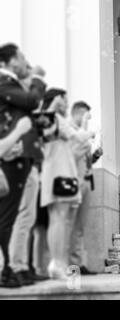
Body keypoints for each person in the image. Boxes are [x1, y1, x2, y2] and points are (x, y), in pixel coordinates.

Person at [0, 43, 46, 288]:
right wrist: (37, 77)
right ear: (10, 60)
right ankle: (11, 268)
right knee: (12, 217)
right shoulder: (4, 82)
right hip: (9, 156)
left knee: (24, 217)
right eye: (21, 57)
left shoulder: (12, 87)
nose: (25, 62)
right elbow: (31, 101)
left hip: (24, 157)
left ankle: (19, 266)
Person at [39, 89, 93, 280]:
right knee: (59, 220)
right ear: (57, 99)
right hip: (57, 174)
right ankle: (57, 263)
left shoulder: (54, 118)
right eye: (64, 99)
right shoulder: (51, 117)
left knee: (62, 221)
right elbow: (79, 136)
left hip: (62, 173)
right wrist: (89, 128)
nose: (67, 103)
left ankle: (59, 263)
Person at [68, 101, 102, 275]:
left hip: (87, 181)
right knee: (70, 224)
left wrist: (94, 156)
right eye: (87, 116)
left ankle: (79, 264)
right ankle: (71, 265)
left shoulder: (82, 135)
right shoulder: (70, 132)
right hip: (73, 183)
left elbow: (84, 160)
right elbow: (71, 156)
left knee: (79, 226)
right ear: (80, 114)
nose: (89, 120)